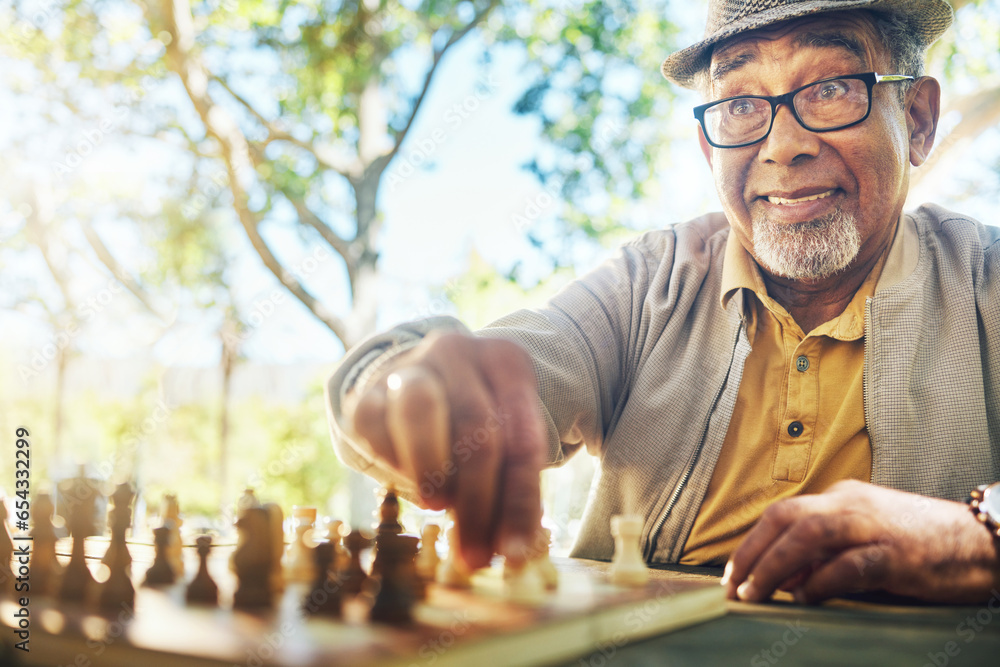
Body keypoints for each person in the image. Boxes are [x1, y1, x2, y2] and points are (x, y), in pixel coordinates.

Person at [327, 0, 1000, 605]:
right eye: (740, 104)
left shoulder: (987, 283)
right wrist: (399, 385)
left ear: (916, 119)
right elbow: (512, 363)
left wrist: (980, 533)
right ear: (709, 146)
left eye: (829, 88)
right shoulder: (646, 284)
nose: (783, 144)